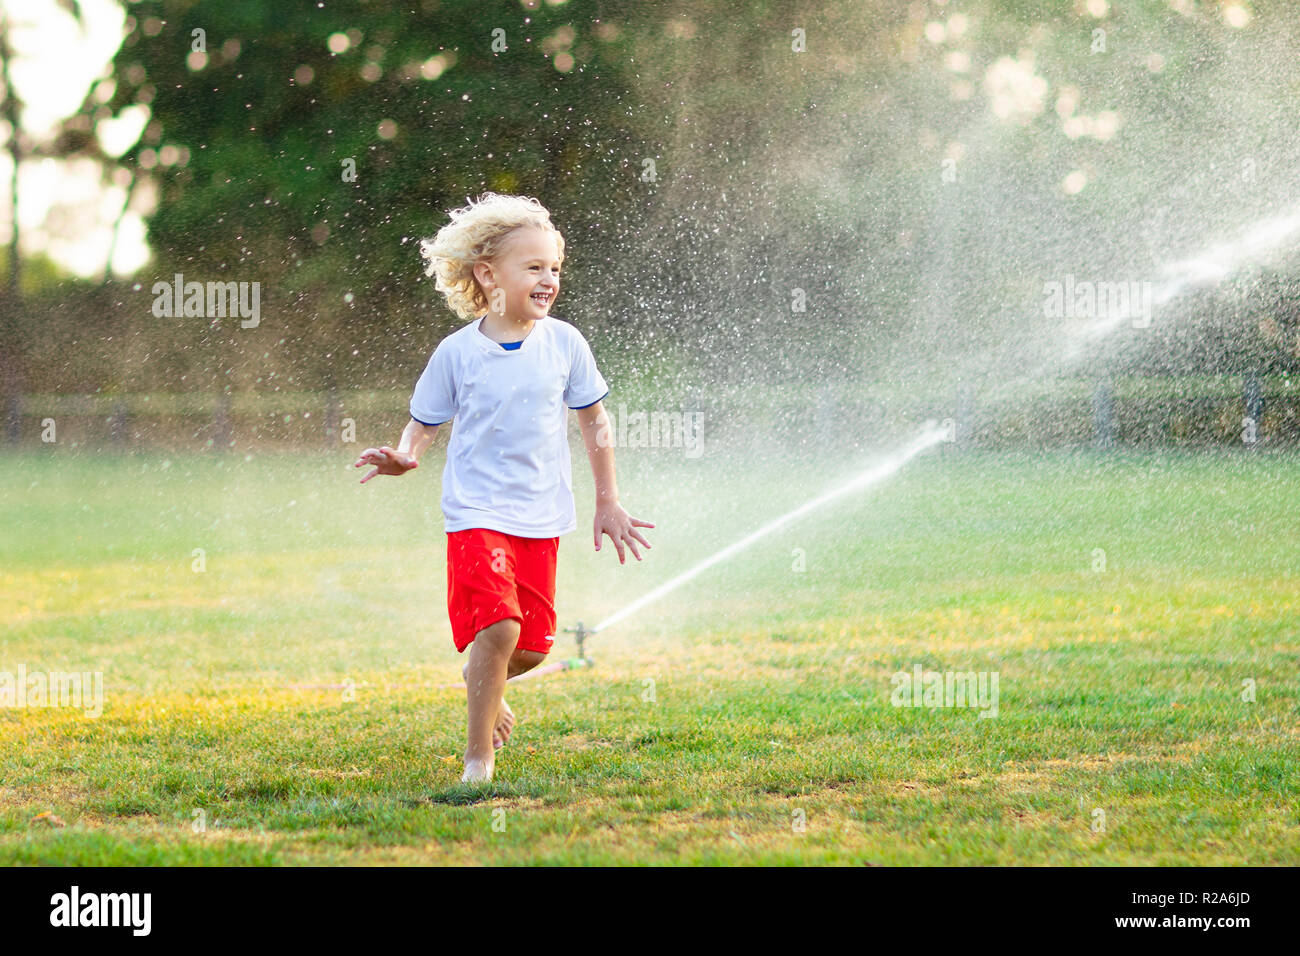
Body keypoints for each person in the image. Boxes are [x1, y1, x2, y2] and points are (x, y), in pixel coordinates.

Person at [354, 192, 653, 784]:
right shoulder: (457, 353)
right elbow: (424, 422)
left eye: (555, 269)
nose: (548, 279)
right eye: (534, 267)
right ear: (488, 275)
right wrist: (406, 456)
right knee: (500, 628)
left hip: (541, 517)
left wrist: (609, 500)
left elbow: (594, 420)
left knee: (532, 648)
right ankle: (477, 763)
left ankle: (479, 679)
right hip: (476, 512)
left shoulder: (566, 344)